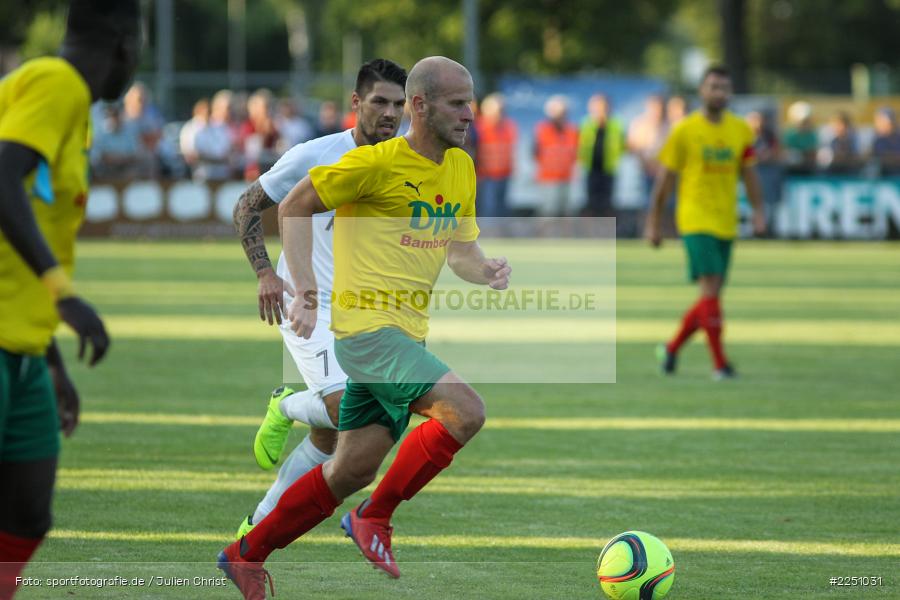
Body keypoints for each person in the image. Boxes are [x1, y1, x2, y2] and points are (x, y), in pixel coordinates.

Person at [217, 56, 511, 598]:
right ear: (422, 106)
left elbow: (460, 252)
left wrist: (485, 270)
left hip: (405, 333)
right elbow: (294, 206)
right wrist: (304, 292)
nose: (469, 114)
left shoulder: (461, 169)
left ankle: (245, 554)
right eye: (457, 103)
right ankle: (374, 517)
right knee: (466, 410)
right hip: (366, 334)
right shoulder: (372, 162)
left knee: (348, 470)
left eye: (470, 102)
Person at [229, 58, 408, 540]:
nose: (390, 113)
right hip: (309, 305)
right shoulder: (317, 154)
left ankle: (256, 524)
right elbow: (246, 206)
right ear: (356, 102)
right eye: (380, 102)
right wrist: (265, 273)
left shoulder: (406, 162)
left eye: (398, 104)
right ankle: (287, 405)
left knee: (331, 439)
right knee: (344, 408)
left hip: (369, 313)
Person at [0, 1, 141, 596]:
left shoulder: (73, 108)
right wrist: (64, 295)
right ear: (125, 46)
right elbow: (2, 178)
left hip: (23, 346)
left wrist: (52, 360)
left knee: (28, 512)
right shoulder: (57, 83)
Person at [645, 65, 766, 380]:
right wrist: (653, 222)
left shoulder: (740, 130)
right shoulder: (685, 130)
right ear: (702, 91)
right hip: (695, 219)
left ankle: (671, 350)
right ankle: (720, 365)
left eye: (724, 88)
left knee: (710, 297)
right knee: (711, 288)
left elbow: (749, 174)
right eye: (713, 87)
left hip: (726, 220)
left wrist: (758, 211)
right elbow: (665, 179)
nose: (719, 93)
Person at [578, 93, 625, 217]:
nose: (599, 110)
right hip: (591, 169)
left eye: (602, 107)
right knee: (591, 202)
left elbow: (623, 146)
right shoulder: (586, 124)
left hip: (608, 169)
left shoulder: (616, 124)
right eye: (596, 107)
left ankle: (606, 227)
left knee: (607, 202)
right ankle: (592, 227)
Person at [533, 95, 579, 217]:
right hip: (548, 179)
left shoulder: (572, 130)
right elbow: (535, 153)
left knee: (566, 212)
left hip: (567, 178)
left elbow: (576, 153)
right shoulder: (542, 130)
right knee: (549, 212)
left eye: (563, 112)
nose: (560, 116)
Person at [474, 93, 517, 220]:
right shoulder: (479, 127)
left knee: (501, 209)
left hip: (504, 175)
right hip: (485, 176)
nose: (501, 113)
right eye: (499, 110)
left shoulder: (509, 126)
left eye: (503, 110)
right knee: (488, 209)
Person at [628, 95, 668, 200]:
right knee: (645, 200)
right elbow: (634, 147)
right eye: (654, 107)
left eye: (659, 107)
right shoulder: (639, 123)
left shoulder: (668, 124)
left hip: (663, 172)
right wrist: (645, 164)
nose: (657, 111)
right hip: (644, 171)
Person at [782, 101, 818, 174]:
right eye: (803, 121)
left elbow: (812, 153)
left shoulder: (812, 135)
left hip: (808, 168)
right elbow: (785, 152)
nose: (805, 124)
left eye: (807, 121)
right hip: (791, 170)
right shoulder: (789, 134)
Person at [871, 107, 900, 176]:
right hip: (885, 177)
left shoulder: (897, 139)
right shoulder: (878, 141)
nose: (877, 124)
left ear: (889, 122)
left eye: (879, 121)